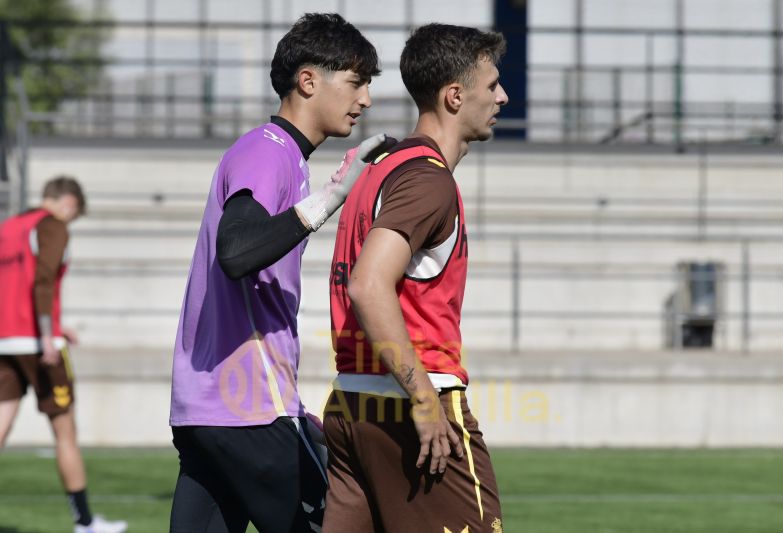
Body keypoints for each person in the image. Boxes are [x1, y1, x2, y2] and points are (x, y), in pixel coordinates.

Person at [168, 12, 394, 533]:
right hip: (249, 408)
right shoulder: (269, 152)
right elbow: (236, 252)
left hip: (209, 409)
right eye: (356, 82)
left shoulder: (279, 156)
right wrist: (330, 200)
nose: (366, 100)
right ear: (308, 80)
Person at [323, 23, 508, 533]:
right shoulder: (428, 180)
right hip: (410, 403)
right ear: (454, 96)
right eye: (492, 85)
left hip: (350, 404)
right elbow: (367, 284)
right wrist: (424, 399)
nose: (502, 97)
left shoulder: (380, 168)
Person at [0, 176, 128, 533]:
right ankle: (85, 523)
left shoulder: (10, 226)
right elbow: (42, 281)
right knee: (65, 432)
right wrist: (47, 335)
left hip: (5, 342)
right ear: (69, 203)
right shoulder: (52, 226)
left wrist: (57, 325)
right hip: (38, 345)